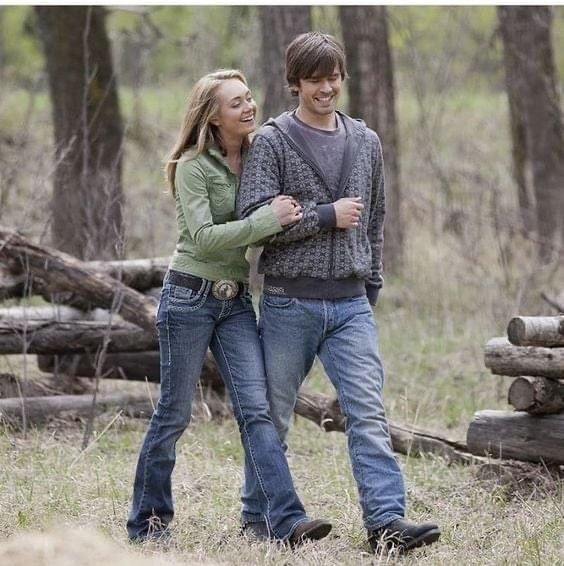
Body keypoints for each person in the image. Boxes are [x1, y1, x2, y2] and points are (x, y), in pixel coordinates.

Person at [237, 33, 441, 554]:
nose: (326, 88)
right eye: (315, 80)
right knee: (274, 414)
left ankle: (386, 523)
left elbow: (375, 221)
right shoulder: (272, 142)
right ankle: (259, 517)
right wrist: (325, 217)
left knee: (367, 413)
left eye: (333, 78)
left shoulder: (366, 141)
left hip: (351, 303)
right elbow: (254, 223)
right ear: (295, 83)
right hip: (288, 300)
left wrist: (370, 282)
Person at [127, 69, 333, 545]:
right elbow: (202, 237)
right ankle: (148, 524)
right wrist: (264, 220)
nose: (249, 106)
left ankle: (281, 520)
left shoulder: (262, 153)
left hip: (237, 300)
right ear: (212, 116)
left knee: (256, 411)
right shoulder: (192, 166)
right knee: (175, 415)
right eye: (236, 102)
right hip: (189, 296)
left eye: (249, 98)